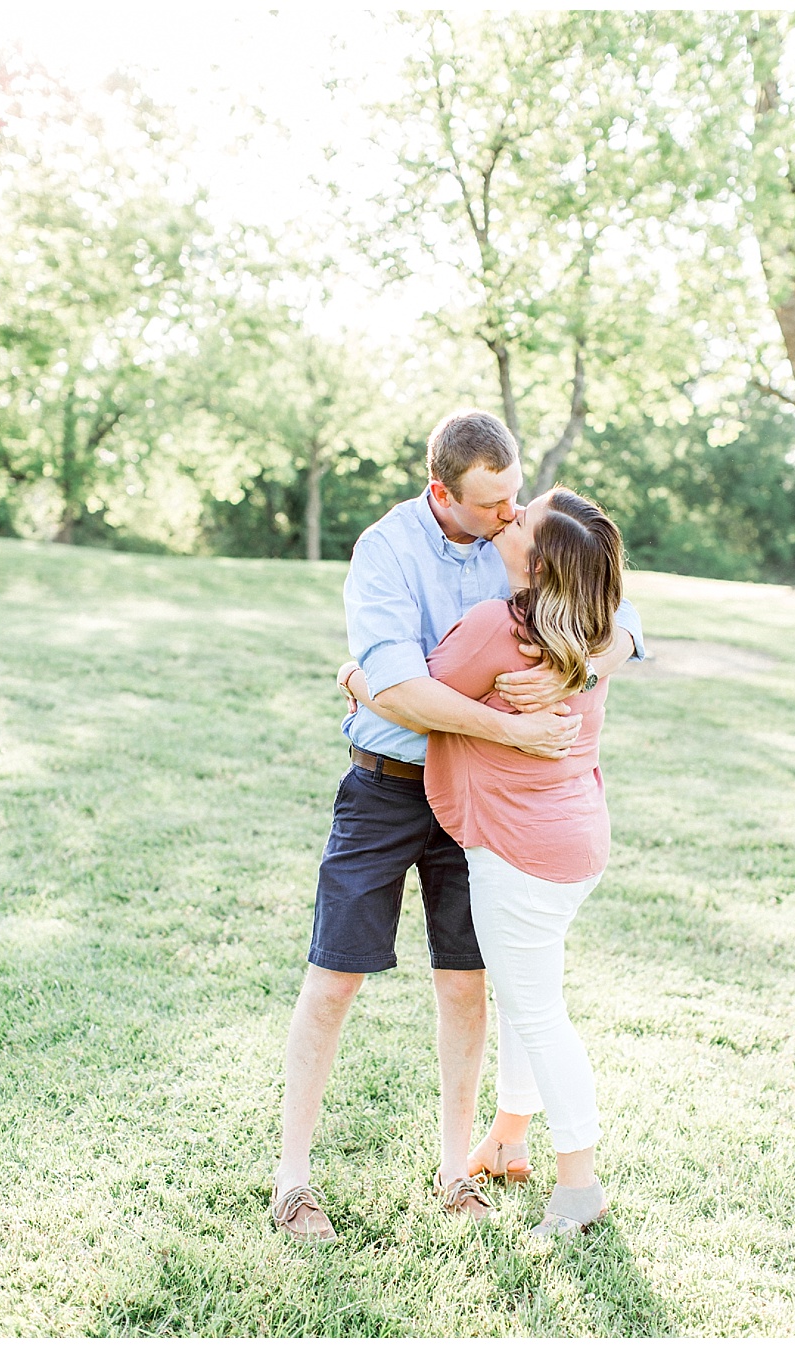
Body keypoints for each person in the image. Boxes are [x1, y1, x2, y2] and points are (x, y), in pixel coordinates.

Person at [269, 410, 642, 1243]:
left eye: (517, 501)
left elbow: (620, 619)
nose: (510, 515)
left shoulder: (523, 541)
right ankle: (292, 1180)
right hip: (387, 788)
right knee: (334, 980)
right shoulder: (387, 552)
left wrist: (580, 667)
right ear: (442, 491)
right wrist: (508, 722)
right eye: (491, 505)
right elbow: (400, 688)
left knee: (465, 985)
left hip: (479, 813)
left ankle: (455, 1171)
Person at [342, 487, 629, 1239]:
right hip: (575, 843)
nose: (509, 517)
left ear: (533, 562)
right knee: (529, 999)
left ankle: (580, 1186)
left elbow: (406, 697)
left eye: (522, 520)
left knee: (537, 1014)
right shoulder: (583, 633)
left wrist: (351, 676)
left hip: (520, 853)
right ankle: (506, 1139)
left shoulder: (496, 630)